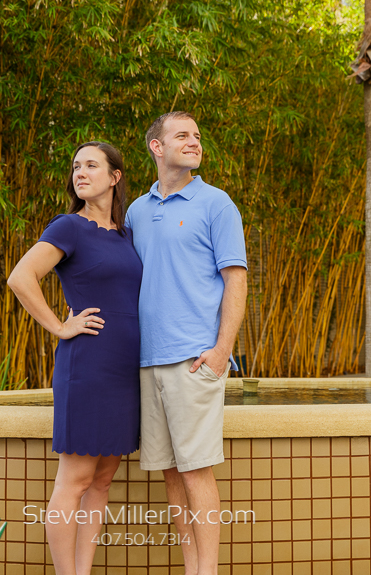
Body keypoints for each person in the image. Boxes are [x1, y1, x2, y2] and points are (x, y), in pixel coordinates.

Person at [7, 141, 142, 575]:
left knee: (102, 479)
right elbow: (20, 277)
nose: (80, 172)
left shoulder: (126, 234)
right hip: (88, 366)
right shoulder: (69, 226)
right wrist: (60, 326)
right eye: (75, 166)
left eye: (91, 165)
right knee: (75, 480)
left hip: (124, 369)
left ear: (114, 177)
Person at [126, 112, 248, 575]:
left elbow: (235, 281)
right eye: (182, 135)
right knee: (172, 473)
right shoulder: (137, 210)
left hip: (195, 359)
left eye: (197, 135)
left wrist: (221, 351)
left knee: (196, 471)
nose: (194, 142)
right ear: (157, 147)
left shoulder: (217, 204)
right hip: (147, 360)